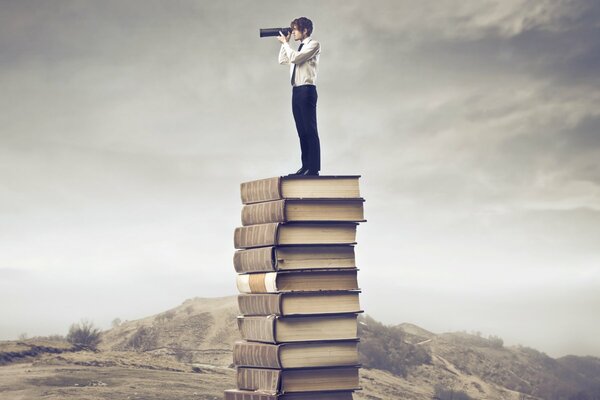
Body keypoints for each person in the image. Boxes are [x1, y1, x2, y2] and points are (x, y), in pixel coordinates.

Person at [277, 17, 321, 176]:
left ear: (305, 31)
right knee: (301, 130)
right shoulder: (298, 49)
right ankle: (305, 166)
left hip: (307, 90)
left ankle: (314, 168)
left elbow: (295, 58)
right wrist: (285, 44)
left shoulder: (313, 45)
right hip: (296, 91)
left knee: (310, 129)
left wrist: (285, 44)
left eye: (295, 29)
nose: (293, 32)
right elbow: (283, 60)